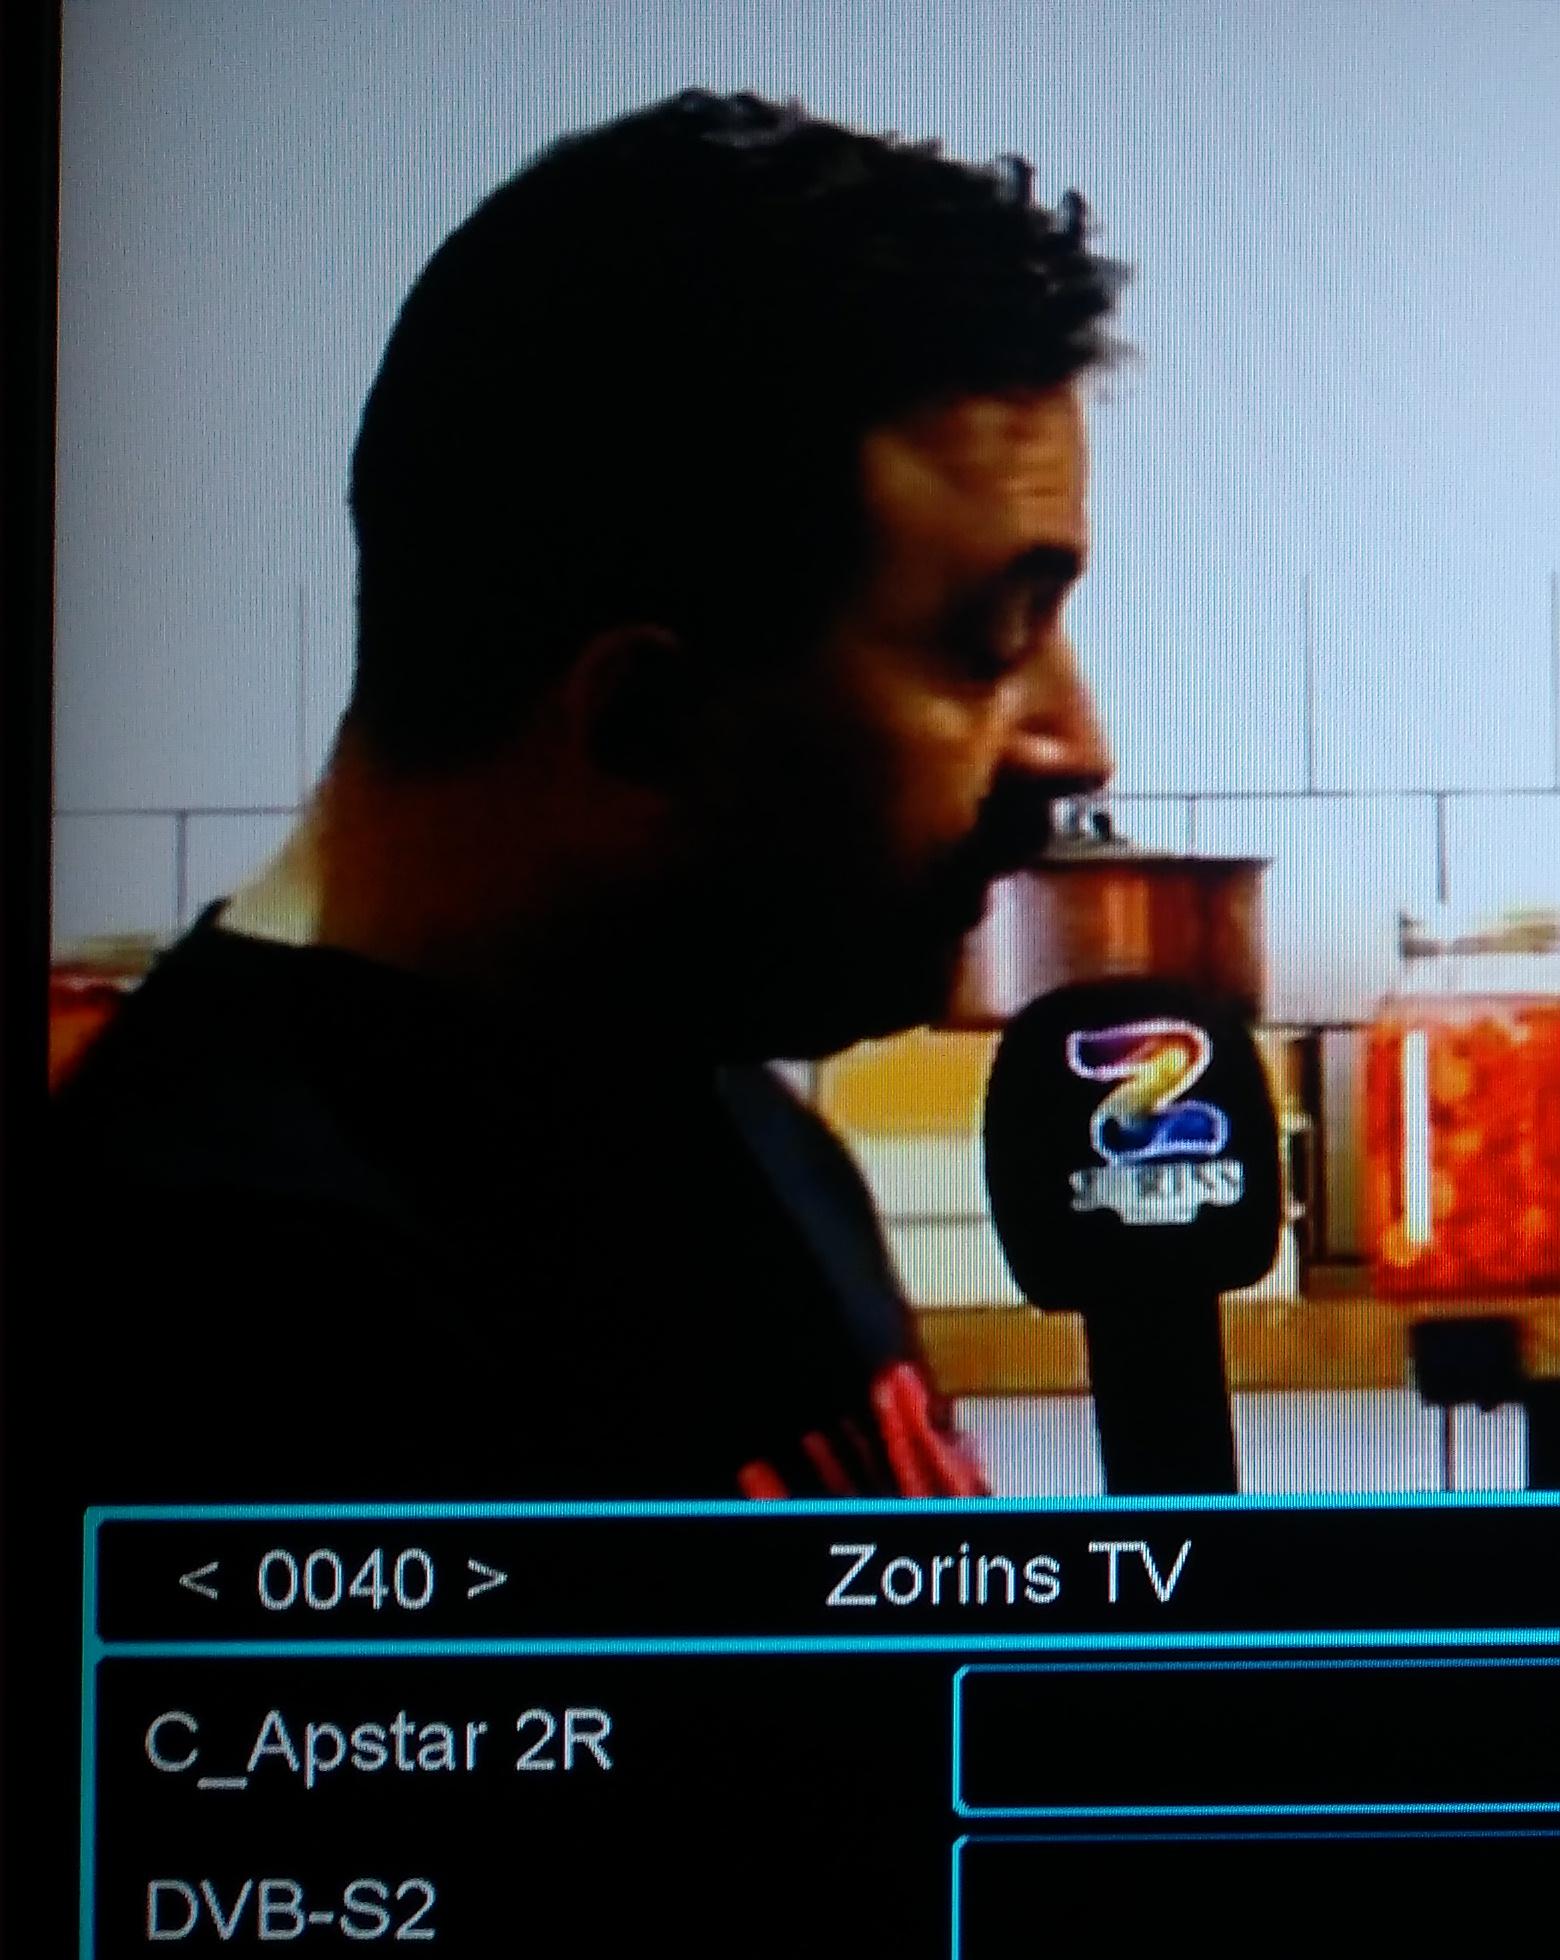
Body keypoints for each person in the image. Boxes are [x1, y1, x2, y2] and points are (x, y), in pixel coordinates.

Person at [39, 93, 1121, 1501]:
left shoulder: (736, 1119)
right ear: (643, 723)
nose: (1078, 745)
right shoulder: (227, 1308)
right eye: (991, 644)